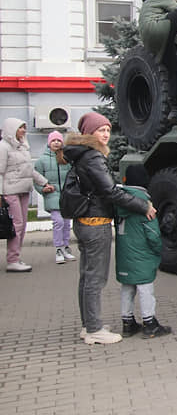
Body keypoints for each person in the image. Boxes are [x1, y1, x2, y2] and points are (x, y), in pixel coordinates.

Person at [63, 112, 157, 345]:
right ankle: (94, 330)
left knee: (86, 277)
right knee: (95, 279)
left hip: (84, 222)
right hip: (96, 224)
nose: (106, 134)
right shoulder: (93, 156)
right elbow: (110, 192)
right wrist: (142, 205)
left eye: (107, 130)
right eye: (100, 130)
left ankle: (89, 325)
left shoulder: (81, 155)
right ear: (89, 134)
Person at [115, 164, 171, 338]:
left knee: (127, 287)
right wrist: (158, 250)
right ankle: (149, 323)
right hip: (142, 254)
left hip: (124, 253)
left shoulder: (119, 201)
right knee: (146, 288)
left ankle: (127, 322)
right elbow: (153, 233)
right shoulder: (144, 203)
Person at [1, 118, 55, 272]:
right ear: (12, 129)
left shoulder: (23, 147)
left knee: (22, 225)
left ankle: (16, 257)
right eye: (21, 128)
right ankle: (12, 260)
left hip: (24, 190)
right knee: (16, 225)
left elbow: (29, 170)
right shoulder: (3, 147)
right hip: (9, 191)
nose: (24, 130)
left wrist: (44, 182)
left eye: (24, 128)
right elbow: (0, 172)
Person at [34, 130, 76, 264]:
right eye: (53, 140)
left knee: (66, 223)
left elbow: (73, 174)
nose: (56, 143)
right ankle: (58, 248)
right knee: (58, 222)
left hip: (66, 195)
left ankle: (66, 247)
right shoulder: (42, 160)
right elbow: (36, 178)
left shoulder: (66, 158)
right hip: (52, 195)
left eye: (58, 140)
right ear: (49, 143)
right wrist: (43, 189)